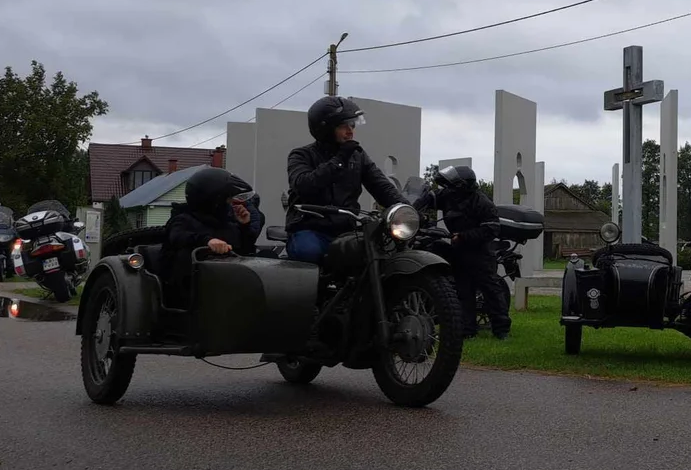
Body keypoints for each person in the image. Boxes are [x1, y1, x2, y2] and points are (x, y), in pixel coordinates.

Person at [284, 96, 409, 265]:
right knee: (309, 253)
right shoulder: (301, 155)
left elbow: (381, 186)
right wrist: (340, 159)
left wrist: (407, 209)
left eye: (352, 125)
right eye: (344, 126)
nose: (350, 131)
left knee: (377, 255)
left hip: (346, 230)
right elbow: (304, 185)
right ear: (325, 129)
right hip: (310, 229)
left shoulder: (357, 156)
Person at [412, 165, 509, 340]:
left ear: (462, 185)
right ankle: (467, 330)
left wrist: (464, 236)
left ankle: (501, 330)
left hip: (480, 252)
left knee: (490, 290)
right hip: (459, 250)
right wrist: (412, 209)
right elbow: (430, 198)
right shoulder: (449, 196)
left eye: (452, 184)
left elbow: (492, 229)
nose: (447, 188)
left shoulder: (482, 202)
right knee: (463, 291)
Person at [160, 167, 263, 303]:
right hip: (190, 295)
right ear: (213, 200)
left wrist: (244, 226)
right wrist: (207, 241)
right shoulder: (182, 220)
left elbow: (244, 251)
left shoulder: (227, 223)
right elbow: (177, 237)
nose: (231, 204)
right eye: (228, 200)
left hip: (226, 290)